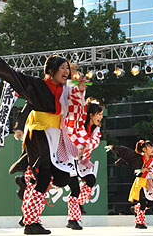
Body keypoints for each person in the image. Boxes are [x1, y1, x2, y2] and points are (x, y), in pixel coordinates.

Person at [0, 54, 85, 235]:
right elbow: (12, 75)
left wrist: (82, 86)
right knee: (43, 176)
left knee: (61, 178)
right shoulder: (38, 85)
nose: (66, 72)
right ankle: (31, 222)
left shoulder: (67, 88)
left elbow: (82, 91)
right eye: (62, 68)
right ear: (51, 70)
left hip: (56, 136)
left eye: (67, 68)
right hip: (38, 133)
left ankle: (29, 187)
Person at [107, 140, 153, 229]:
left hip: (150, 183)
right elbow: (127, 153)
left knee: (151, 203)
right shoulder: (138, 159)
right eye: (150, 147)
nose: (152, 149)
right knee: (143, 202)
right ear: (144, 149)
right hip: (140, 182)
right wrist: (114, 148)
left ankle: (136, 208)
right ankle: (139, 223)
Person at [65, 96, 104, 230]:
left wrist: (87, 144)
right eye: (99, 114)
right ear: (91, 115)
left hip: (81, 161)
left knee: (91, 179)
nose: (101, 117)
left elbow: (94, 143)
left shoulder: (95, 129)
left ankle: (79, 204)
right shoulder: (80, 125)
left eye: (102, 114)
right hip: (68, 160)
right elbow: (80, 140)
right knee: (74, 189)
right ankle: (73, 219)